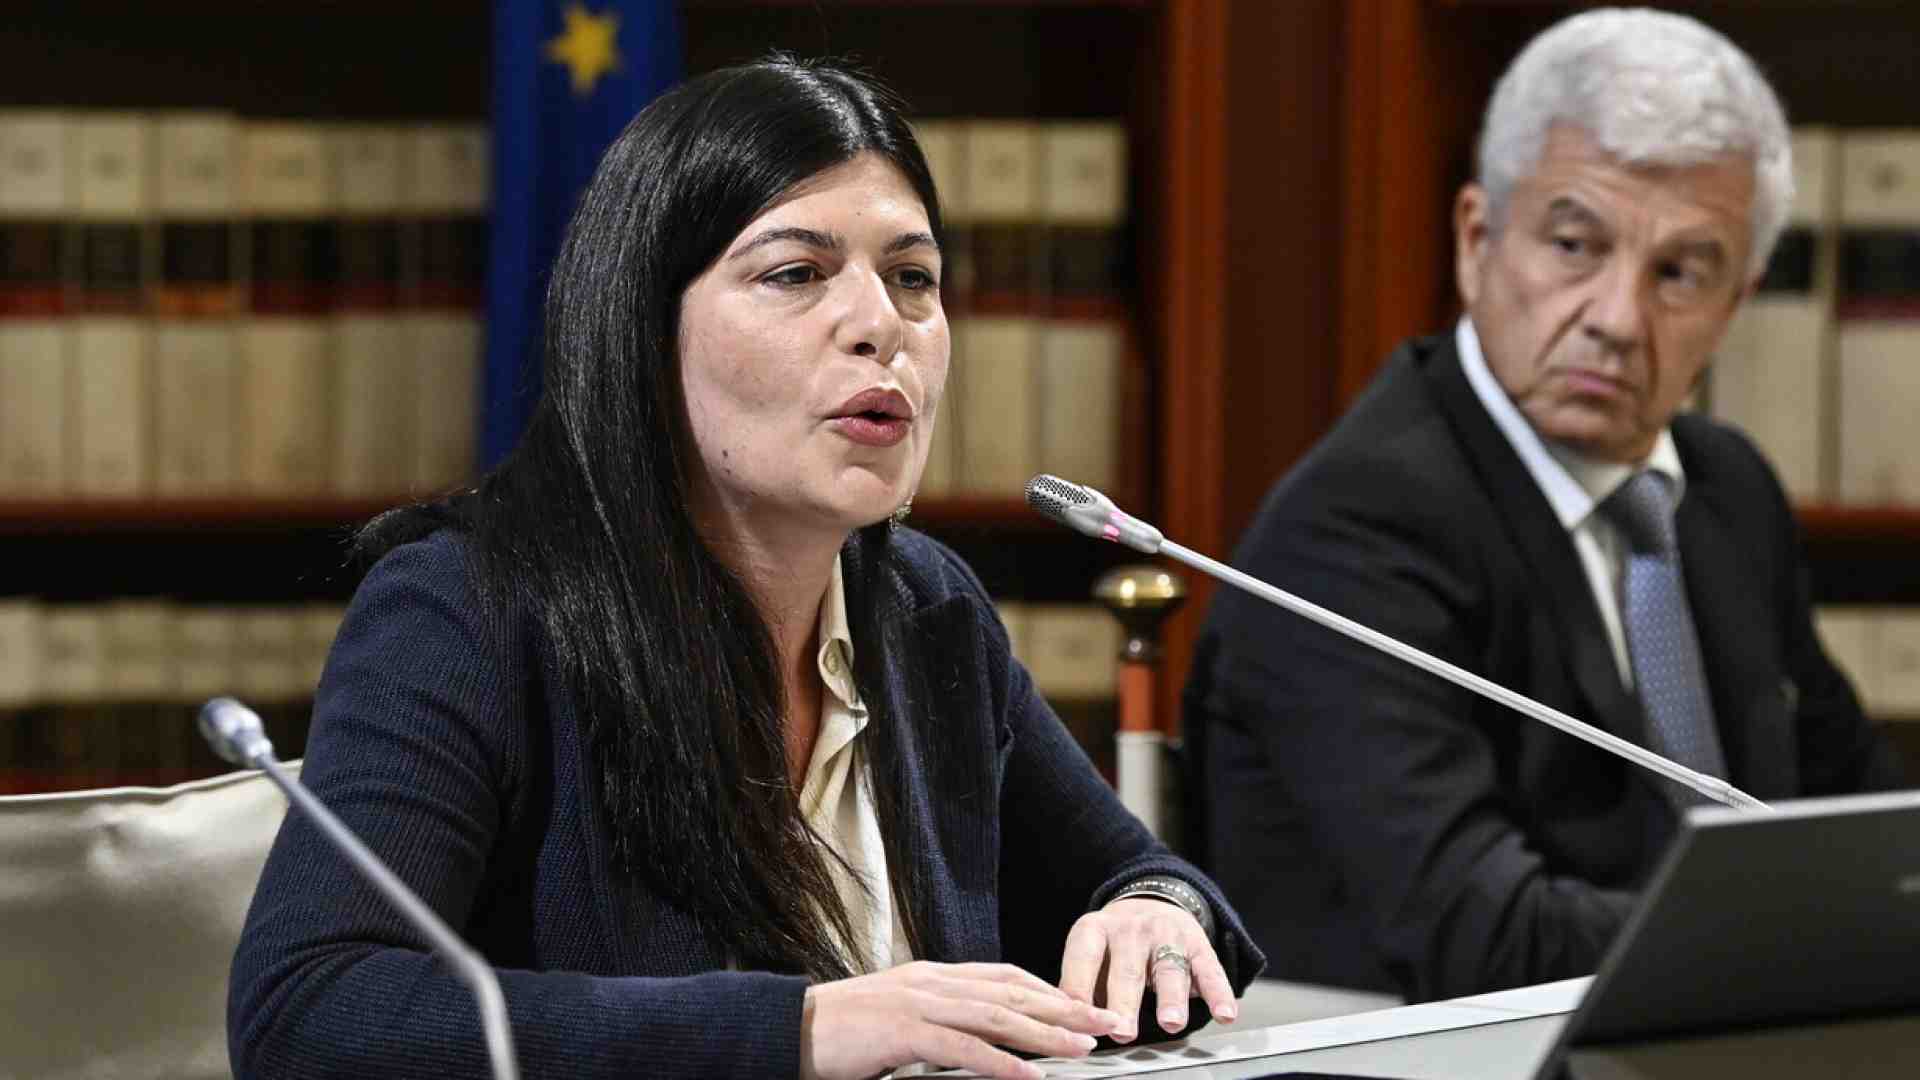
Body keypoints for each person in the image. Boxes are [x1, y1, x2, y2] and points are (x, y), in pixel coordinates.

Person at [229, 56, 1262, 1080]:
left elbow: (1138, 875)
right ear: (644, 328)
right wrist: (800, 1030)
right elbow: (311, 1009)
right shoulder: (464, 612)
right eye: (796, 274)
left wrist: (1154, 913)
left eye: (913, 278)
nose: (880, 326)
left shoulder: (926, 607)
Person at [1183, 8, 1906, 1004]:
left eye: (1679, 273)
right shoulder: (1353, 529)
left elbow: (1857, 818)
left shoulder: (1727, 490)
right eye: (1575, 245)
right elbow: (1484, 938)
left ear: (1736, 303)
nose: (1616, 319)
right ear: (1477, 240)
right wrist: (1803, 937)